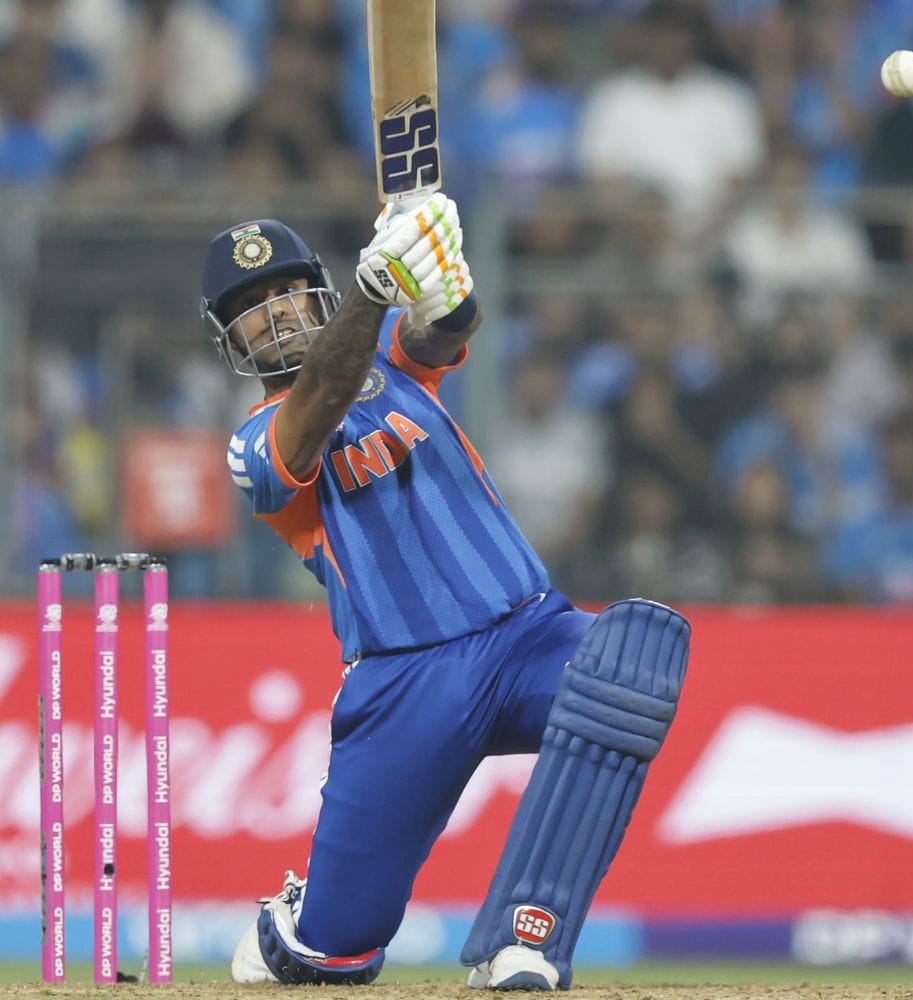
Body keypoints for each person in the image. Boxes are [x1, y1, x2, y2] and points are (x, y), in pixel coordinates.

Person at [198, 193, 691, 990]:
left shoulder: (392, 358)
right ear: (231, 340)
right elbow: (318, 404)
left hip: (526, 636)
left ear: (318, 292)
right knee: (335, 955)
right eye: (251, 307)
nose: (277, 311)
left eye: (286, 289)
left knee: (629, 663)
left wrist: (441, 276)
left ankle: (525, 937)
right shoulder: (252, 443)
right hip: (404, 687)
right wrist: (373, 286)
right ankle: (302, 920)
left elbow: (447, 329)